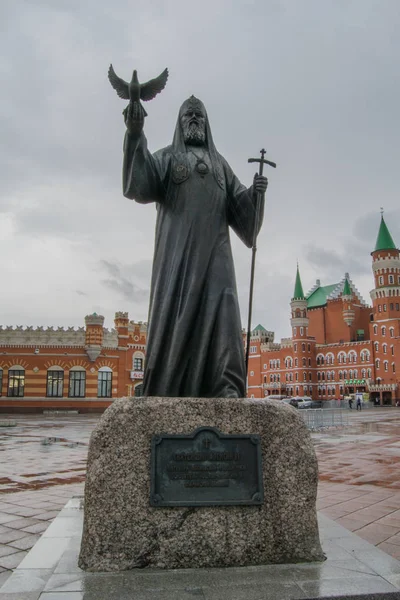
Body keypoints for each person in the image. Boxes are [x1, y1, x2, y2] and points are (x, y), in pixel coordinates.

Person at [122, 95, 268, 398]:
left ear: (207, 123)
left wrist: (256, 195)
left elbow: (245, 221)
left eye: (198, 116)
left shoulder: (220, 165)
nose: (193, 120)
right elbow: (140, 184)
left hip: (217, 259)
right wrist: (135, 133)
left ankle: (226, 385)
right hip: (179, 258)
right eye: (188, 115)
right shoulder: (167, 158)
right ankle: (167, 385)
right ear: (179, 122)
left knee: (224, 312)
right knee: (177, 316)